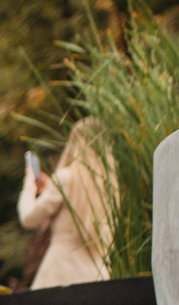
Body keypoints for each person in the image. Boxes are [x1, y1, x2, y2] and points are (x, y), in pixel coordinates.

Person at [20, 118, 112, 289]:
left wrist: (30, 186)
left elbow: (28, 218)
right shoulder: (109, 186)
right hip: (96, 277)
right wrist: (50, 188)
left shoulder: (66, 178)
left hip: (58, 276)